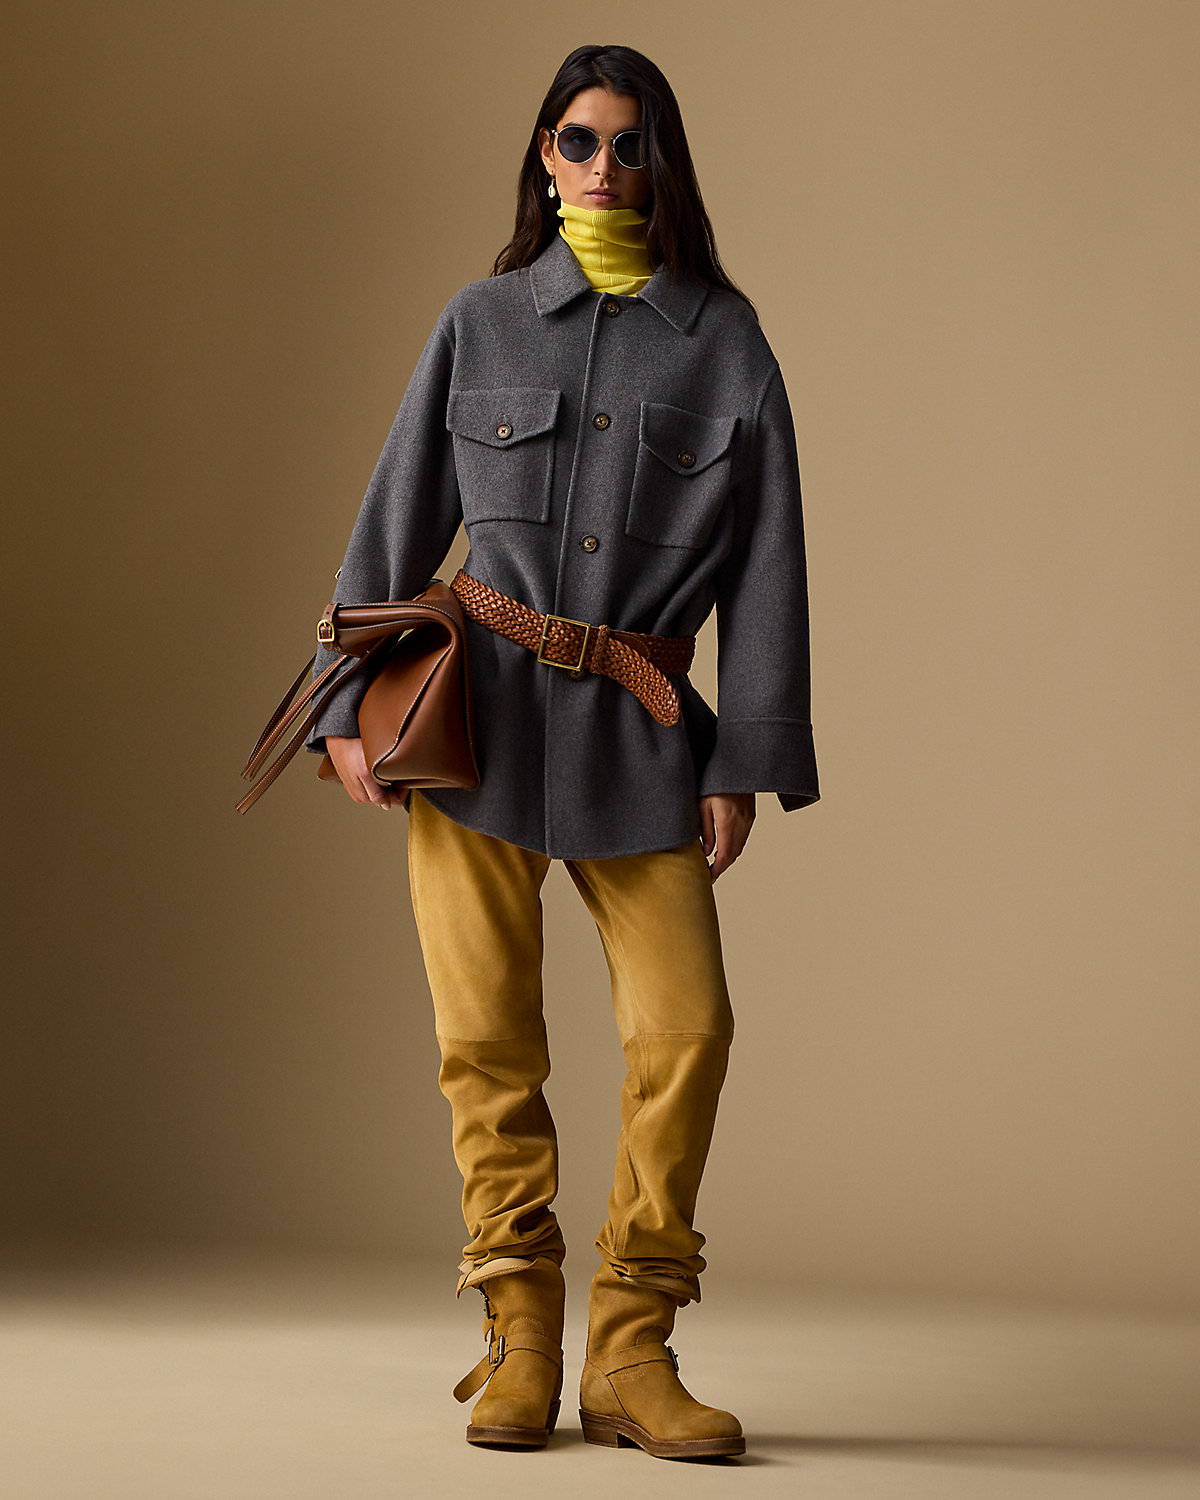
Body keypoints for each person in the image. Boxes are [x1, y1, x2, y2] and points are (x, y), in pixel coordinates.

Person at [306, 43, 819, 1461]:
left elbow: (767, 566)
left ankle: (632, 1349)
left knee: (687, 1031)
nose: (603, 165)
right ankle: (519, 1335)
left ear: (662, 164)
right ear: (544, 156)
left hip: (641, 737)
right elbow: (398, 510)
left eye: (629, 142)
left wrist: (742, 756)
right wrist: (342, 705)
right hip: (472, 728)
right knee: (485, 1041)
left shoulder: (726, 341)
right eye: (579, 140)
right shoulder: (479, 322)